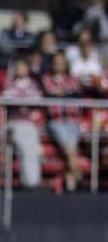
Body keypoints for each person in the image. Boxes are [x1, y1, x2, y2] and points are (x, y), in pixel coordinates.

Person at [42, 51, 82, 191]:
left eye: (61, 61)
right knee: (69, 150)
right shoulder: (47, 78)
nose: (59, 64)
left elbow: (76, 94)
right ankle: (77, 173)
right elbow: (50, 93)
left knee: (70, 152)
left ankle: (70, 187)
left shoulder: (72, 79)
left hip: (72, 120)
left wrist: (63, 93)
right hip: (56, 121)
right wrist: (65, 93)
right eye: (56, 61)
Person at [4, 59, 43, 190]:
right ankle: (29, 182)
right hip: (15, 122)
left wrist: (23, 102)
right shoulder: (10, 83)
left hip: (30, 123)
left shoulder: (32, 84)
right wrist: (23, 102)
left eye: (22, 66)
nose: (20, 69)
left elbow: (37, 100)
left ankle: (33, 181)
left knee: (33, 151)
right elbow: (8, 99)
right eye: (18, 66)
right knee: (25, 150)